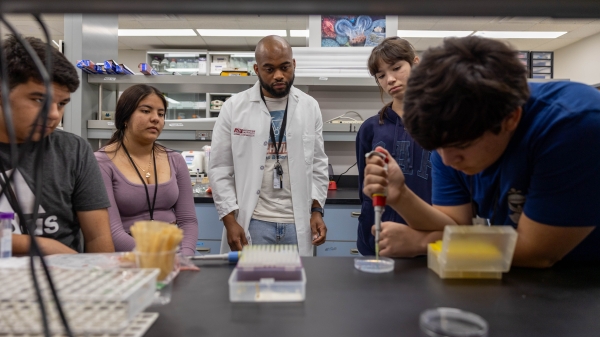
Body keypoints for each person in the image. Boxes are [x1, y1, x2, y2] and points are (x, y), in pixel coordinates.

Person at [363, 36, 600, 268]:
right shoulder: (449, 136)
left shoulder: (574, 125)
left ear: (510, 119)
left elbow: (536, 252)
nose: (448, 161)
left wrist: (424, 242)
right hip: (512, 271)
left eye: (461, 147)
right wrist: (401, 195)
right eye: (438, 148)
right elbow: (454, 224)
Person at [209, 35, 329, 256]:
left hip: (298, 222)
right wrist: (230, 221)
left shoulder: (310, 107)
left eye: (285, 67)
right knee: (253, 287)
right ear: (256, 69)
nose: (279, 76)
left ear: (294, 64)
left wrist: (316, 210)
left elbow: (319, 164)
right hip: (253, 222)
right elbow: (219, 169)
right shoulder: (234, 108)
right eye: (269, 69)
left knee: (294, 287)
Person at [0, 35, 114, 254]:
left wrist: (101, 279)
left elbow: (98, 236)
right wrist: (43, 246)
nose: (54, 115)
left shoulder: (73, 151)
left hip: (64, 281)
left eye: (61, 104)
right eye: (39, 100)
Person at [356, 37, 439, 257]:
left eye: (396, 68)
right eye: (381, 75)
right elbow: (365, 190)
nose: (390, 79)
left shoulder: (442, 123)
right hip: (379, 241)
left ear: (416, 63)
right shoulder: (371, 129)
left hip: (431, 241)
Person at [95, 84, 198, 256]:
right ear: (125, 117)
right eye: (146, 111)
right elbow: (112, 232)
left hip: (176, 253)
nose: (155, 118)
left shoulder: (175, 159)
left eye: (161, 114)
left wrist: (185, 255)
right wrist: (158, 257)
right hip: (130, 254)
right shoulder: (102, 163)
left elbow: (188, 221)